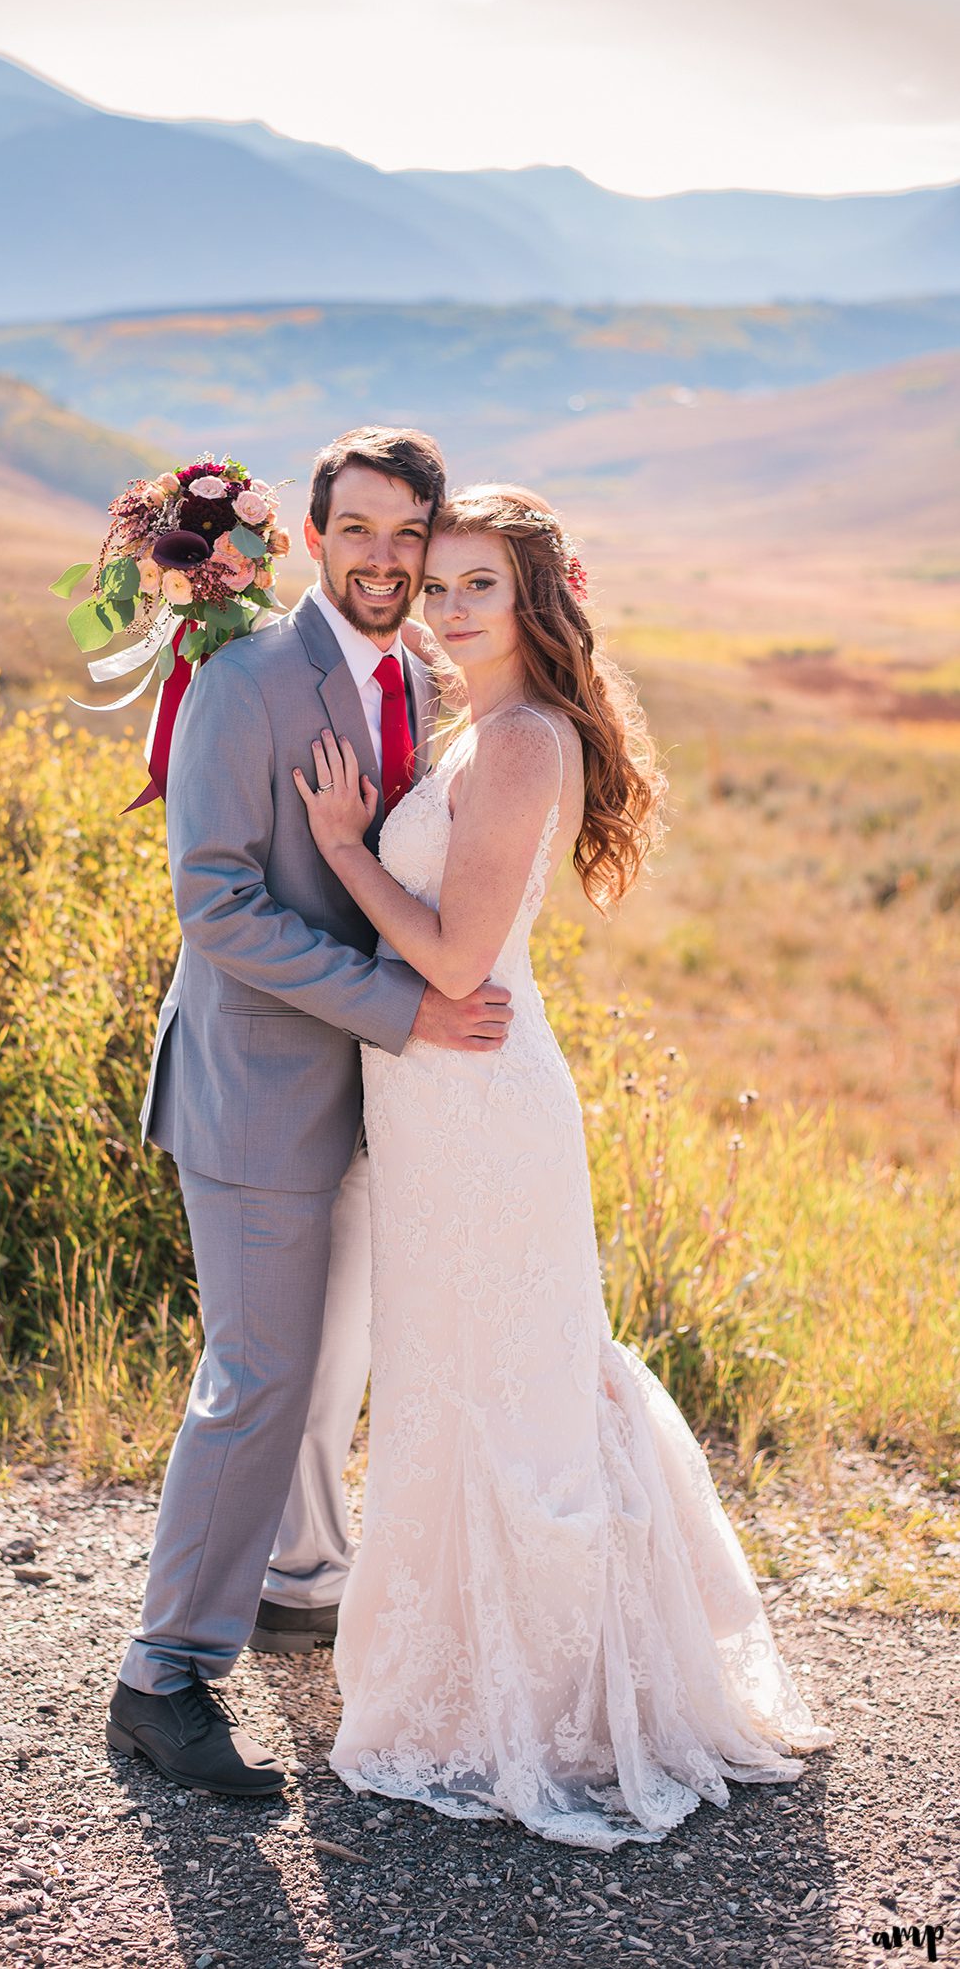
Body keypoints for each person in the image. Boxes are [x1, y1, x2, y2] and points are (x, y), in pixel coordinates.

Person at [293, 483, 833, 1849]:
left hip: (479, 1102)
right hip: (435, 1102)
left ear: (539, 600)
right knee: (453, 1369)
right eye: (442, 582)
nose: (451, 605)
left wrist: (348, 850)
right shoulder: (484, 725)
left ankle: (554, 1696)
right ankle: (469, 1676)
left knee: (513, 1379)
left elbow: (458, 959)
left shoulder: (523, 738)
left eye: (482, 584)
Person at [107, 428, 515, 1796]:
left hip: (364, 1101)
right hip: (256, 1090)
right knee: (258, 1376)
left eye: (410, 534)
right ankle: (163, 1675)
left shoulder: (417, 676)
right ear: (315, 539)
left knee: (323, 1369)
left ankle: (292, 1582)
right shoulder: (246, 681)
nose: (388, 559)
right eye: (360, 530)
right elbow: (216, 904)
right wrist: (401, 1008)